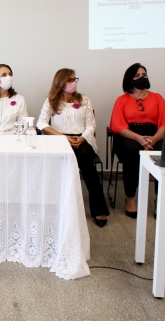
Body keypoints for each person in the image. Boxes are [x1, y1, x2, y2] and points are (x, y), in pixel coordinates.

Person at [37, 69, 110, 227]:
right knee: (63, 160)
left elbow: (91, 125)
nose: (73, 82)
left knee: (86, 162)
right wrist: (62, 137)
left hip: (82, 139)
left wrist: (82, 138)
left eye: (74, 79)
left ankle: (99, 209)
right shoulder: (51, 100)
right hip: (60, 139)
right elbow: (41, 123)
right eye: (69, 80)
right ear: (60, 82)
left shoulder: (84, 100)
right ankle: (55, 206)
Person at [110, 63, 165, 218]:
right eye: (137, 76)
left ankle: (160, 198)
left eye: (144, 75)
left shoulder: (158, 98)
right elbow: (117, 126)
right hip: (129, 136)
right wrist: (138, 138)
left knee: (162, 152)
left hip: (154, 136)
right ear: (130, 80)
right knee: (132, 152)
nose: (142, 78)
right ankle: (130, 197)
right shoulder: (121, 100)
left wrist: (153, 139)